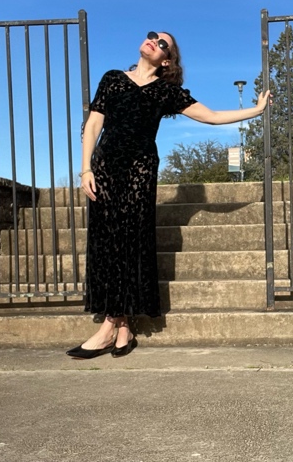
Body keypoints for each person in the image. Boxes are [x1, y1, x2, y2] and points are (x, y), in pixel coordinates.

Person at [66, 31, 271, 359]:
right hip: (104, 168)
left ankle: (109, 327)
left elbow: (212, 116)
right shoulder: (112, 79)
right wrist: (86, 169)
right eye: (152, 37)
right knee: (107, 241)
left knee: (130, 241)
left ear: (167, 60)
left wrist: (255, 111)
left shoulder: (165, 90)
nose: (154, 42)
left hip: (139, 171)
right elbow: (92, 126)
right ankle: (123, 329)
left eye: (163, 44)